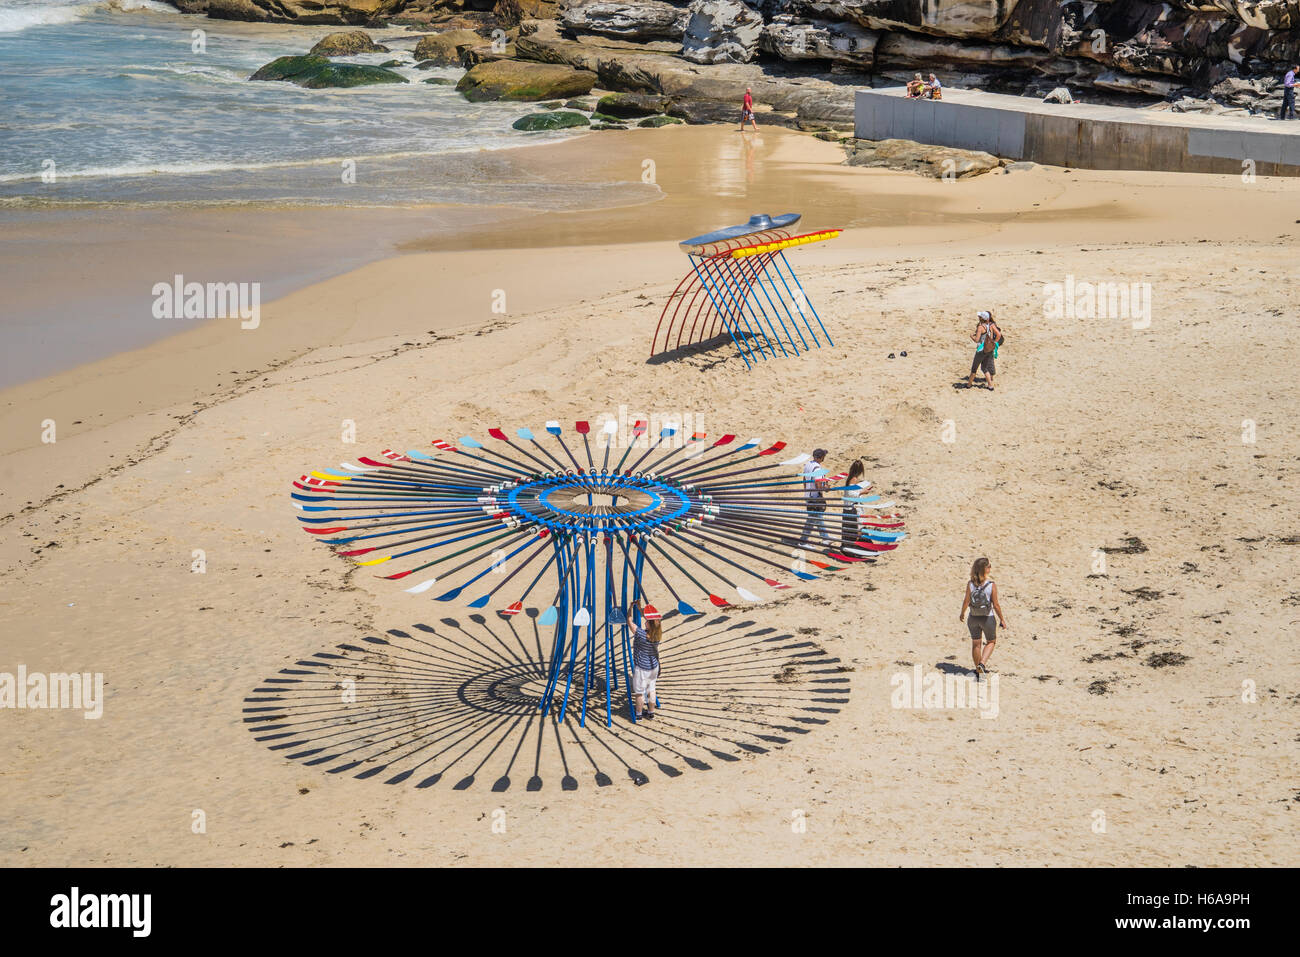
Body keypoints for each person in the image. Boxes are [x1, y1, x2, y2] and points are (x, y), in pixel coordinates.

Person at [959, 557, 1006, 677]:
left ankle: (978, 670)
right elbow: (995, 605)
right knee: (991, 641)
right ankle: (982, 664)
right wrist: (1002, 619)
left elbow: (966, 601)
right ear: (985, 569)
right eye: (989, 566)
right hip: (987, 618)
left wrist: (962, 613)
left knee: (976, 643)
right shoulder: (991, 585)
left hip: (973, 617)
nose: (990, 568)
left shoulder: (970, 584)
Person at [629, 603, 662, 719]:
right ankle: (651, 712)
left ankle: (638, 714)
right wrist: (639, 608)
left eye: (647, 621)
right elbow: (652, 621)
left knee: (639, 693)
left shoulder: (641, 634)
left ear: (649, 625)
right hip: (653, 666)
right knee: (651, 690)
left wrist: (630, 608)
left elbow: (630, 622)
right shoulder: (657, 634)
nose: (645, 622)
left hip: (642, 668)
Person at [798, 448, 833, 548]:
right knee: (812, 519)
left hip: (809, 496)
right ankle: (803, 541)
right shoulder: (817, 468)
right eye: (823, 457)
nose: (824, 458)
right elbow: (818, 484)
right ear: (821, 457)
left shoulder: (808, 464)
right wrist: (825, 488)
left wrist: (806, 491)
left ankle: (825, 538)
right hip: (814, 497)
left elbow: (804, 479)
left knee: (817, 518)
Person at [965, 309, 1001, 390]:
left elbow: (977, 340)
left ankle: (969, 385)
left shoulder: (980, 327)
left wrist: (971, 336)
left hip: (981, 350)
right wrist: (994, 342)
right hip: (989, 349)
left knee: (974, 368)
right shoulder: (991, 325)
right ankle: (990, 386)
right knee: (984, 368)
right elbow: (998, 334)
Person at [840, 459, 866, 547]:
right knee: (856, 529)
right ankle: (859, 548)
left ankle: (848, 547)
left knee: (850, 530)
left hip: (849, 508)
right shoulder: (854, 479)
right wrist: (862, 492)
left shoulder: (851, 478)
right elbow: (851, 494)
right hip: (852, 509)